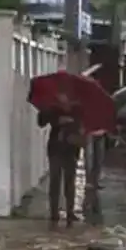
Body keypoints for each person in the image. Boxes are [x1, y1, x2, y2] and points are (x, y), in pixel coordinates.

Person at [38, 94, 84, 224]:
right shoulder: (52, 107)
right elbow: (41, 121)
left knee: (70, 181)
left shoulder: (78, 107)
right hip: (55, 147)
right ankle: (54, 212)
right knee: (55, 180)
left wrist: (72, 122)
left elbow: (83, 124)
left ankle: (70, 211)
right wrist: (57, 119)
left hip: (71, 148)